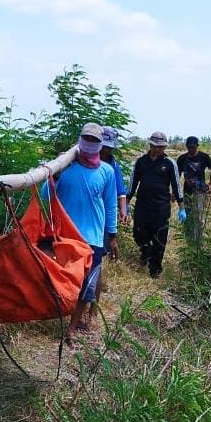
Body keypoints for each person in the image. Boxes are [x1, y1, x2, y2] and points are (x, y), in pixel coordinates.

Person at [47, 122, 118, 345]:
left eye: (95, 141)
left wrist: (112, 234)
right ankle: (57, 318)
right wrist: (54, 174)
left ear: (100, 145)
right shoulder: (65, 168)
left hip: (93, 240)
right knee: (62, 283)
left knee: (86, 287)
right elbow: (46, 194)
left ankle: (71, 329)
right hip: (65, 237)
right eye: (87, 139)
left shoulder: (106, 171)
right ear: (79, 141)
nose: (90, 145)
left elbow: (111, 204)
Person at [81, 126, 128, 331]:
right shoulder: (79, 158)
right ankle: (75, 310)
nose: (105, 151)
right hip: (79, 223)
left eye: (108, 148)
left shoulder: (110, 167)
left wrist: (121, 215)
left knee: (95, 269)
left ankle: (92, 311)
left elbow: (118, 195)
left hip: (99, 226)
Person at [127, 131, 183, 278]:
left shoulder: (169, 163)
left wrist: (181, 207)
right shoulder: (141, 162)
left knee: (159, 238)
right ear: (150, 145)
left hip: (161, 207)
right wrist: (126, 202)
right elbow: (133, 183)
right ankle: (146, 252)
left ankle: (155, 269)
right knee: (138, 233)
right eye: (155, 146)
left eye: (161, 147)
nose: (158, 149)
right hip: (142, 206)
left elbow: (177, 185)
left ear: (164, 147)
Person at [176, 136, 211, 242]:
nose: (191, 149)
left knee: (198, 215)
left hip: (200, 191)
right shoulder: (182, 159)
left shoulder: (204, 157)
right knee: (187, 215)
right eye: (189, 147)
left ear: (197, 146)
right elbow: (176, 176)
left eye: (193, 147)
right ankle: (188, 240)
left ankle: (198, 240)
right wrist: (174, 191)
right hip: (186, 192)